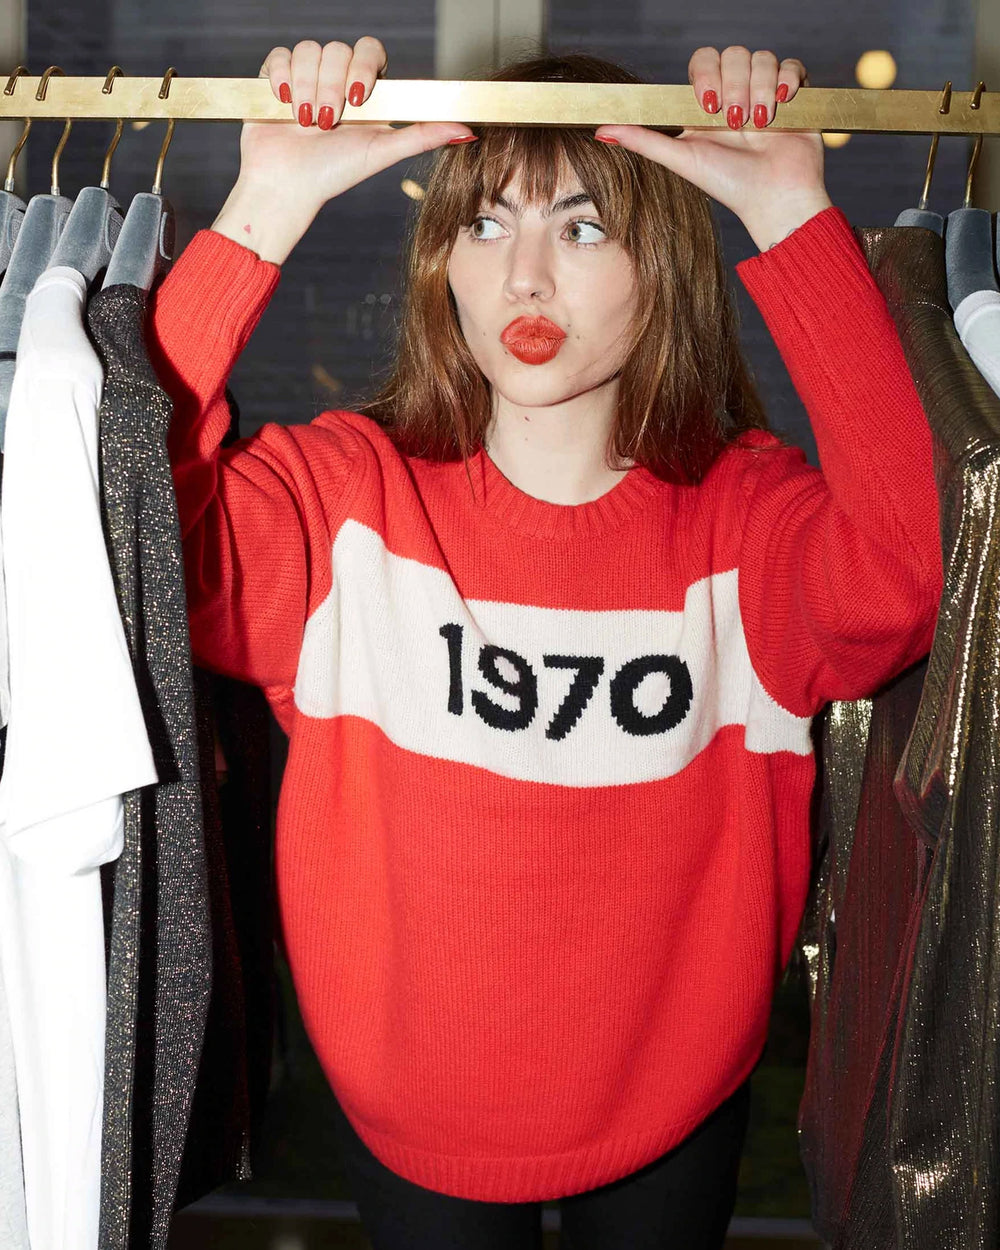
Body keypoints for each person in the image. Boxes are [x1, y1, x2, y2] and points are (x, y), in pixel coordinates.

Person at [147, 36, 943, 1250]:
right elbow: (126, 534)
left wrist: (791, 215)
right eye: (486, 225)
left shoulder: (745, 521)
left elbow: (907, 574)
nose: (523, 277)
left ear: (661, 263)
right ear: (441, 261)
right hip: (410, 1111)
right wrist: (264, 208)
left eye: (581, 227)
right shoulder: (341, 502)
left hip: (675, 1101)